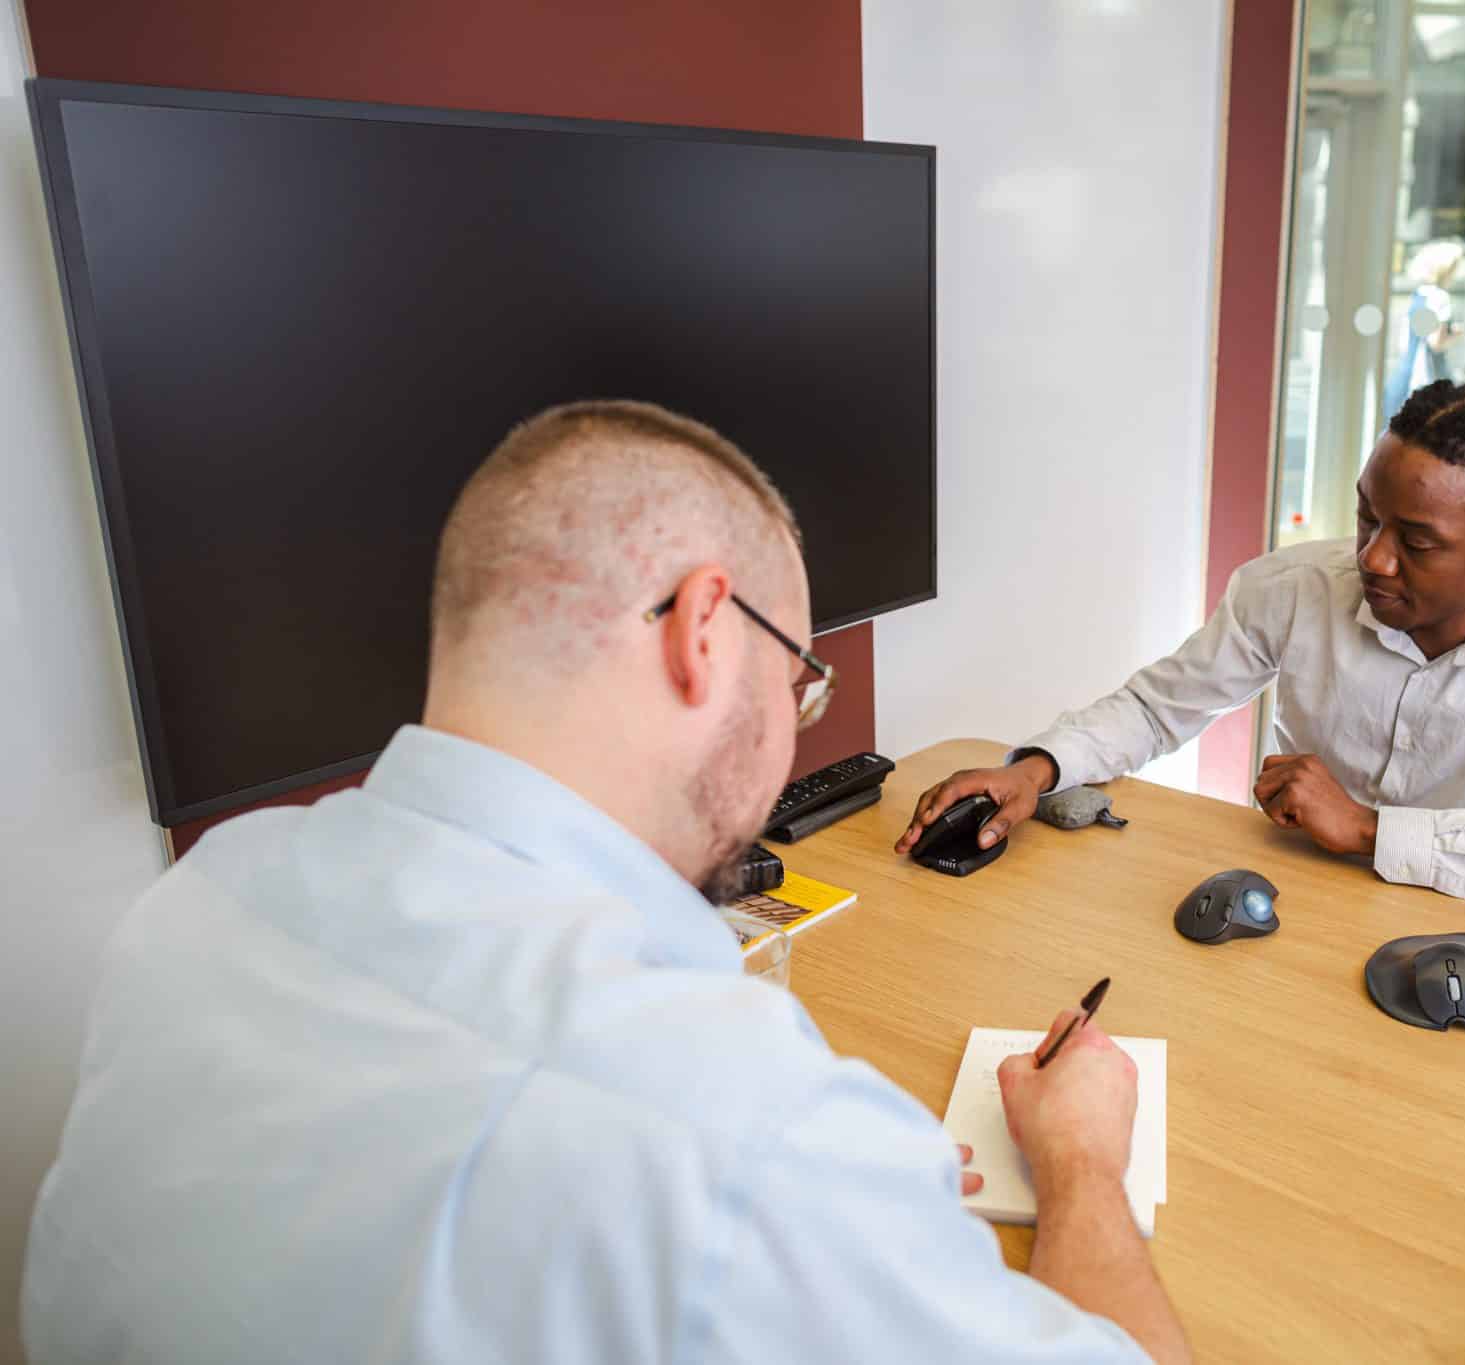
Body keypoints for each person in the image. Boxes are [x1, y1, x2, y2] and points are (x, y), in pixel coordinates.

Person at [22, 401, 1192, 1364]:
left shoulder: (203, 900)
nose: (792, 733)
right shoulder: (740, 1137)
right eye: (801, 687)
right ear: (701, 629)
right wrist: (1082, 1161)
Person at [897, 380, 1465, 917]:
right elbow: (1154, 707)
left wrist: (1371, 830)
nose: (1371, 557)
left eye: (1416, 541)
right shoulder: (1296, 585)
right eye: (1368, 517)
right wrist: (1034, 769)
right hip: (1296, 910)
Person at [1383, 239, 1463, 422]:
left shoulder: (1419, 295)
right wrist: (1459, 334)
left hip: (1404, 374)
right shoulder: (1440, 299)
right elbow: (1436, 343)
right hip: (1427, 378)